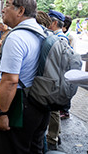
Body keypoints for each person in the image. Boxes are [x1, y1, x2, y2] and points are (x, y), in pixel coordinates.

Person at [0, 0, 50, 154]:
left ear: (21, 10)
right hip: (40, 104)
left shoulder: (16, 37)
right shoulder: (42, 33)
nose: (3, 10)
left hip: (18, 106)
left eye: (7, 5)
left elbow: (10, 80)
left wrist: (2, 113)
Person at [46, 10, 69, 151]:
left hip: (56, 81)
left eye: (49, 21)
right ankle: (56, 135)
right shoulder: (57, 37)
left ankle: (52, 139)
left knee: (53, 111)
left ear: (54, 23)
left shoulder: (60, 39)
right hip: (55, 80)